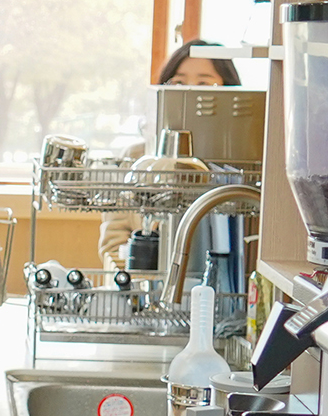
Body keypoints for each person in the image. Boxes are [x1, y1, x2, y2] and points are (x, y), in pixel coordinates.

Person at [98, 40, 244, 268]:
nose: (189, 92)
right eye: (178, 83)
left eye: (204, 84)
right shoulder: (138, 159)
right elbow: (113, 243)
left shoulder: (240, 166)